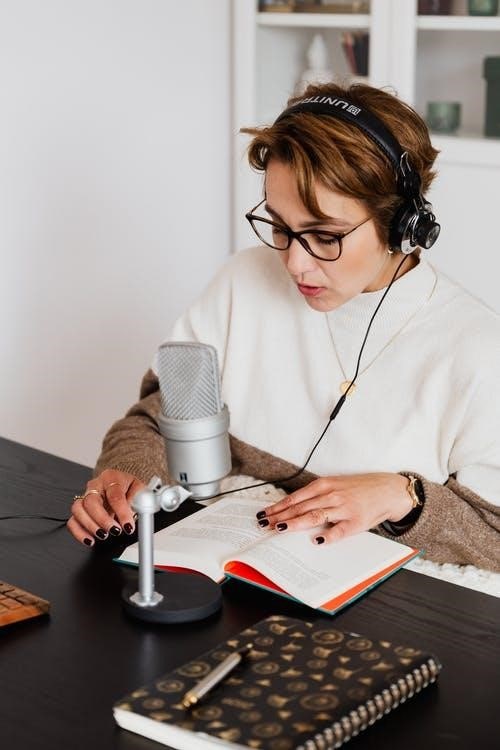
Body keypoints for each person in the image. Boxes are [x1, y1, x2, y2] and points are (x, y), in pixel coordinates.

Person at [67, 82, 500, 572]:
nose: (294, 263)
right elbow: (157, 417)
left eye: (324, 235)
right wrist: (124, 477)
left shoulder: (479, 347)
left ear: (404, 225)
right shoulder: (241, 280)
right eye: (280, 225)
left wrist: (407, 497)